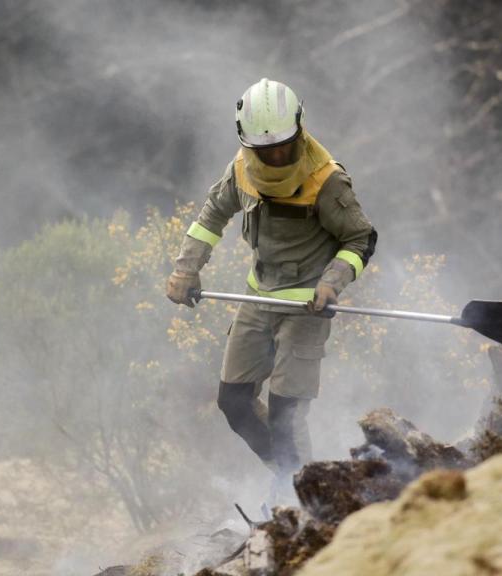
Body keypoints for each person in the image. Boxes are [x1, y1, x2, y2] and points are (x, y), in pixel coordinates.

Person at [166, 78, 377, 494]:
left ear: (299, 130)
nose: (277, 155)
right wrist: (186, 269)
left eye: (284, 145)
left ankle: (303, 499)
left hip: (307, 311)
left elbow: (360, 238)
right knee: (234, 403)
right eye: (266, 150)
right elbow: (211, 217)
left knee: (286, 415)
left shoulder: (325, 179)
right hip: (258, 299)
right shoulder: (242, 169)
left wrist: (332, 282)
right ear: (249, 144)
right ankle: (291, 477)